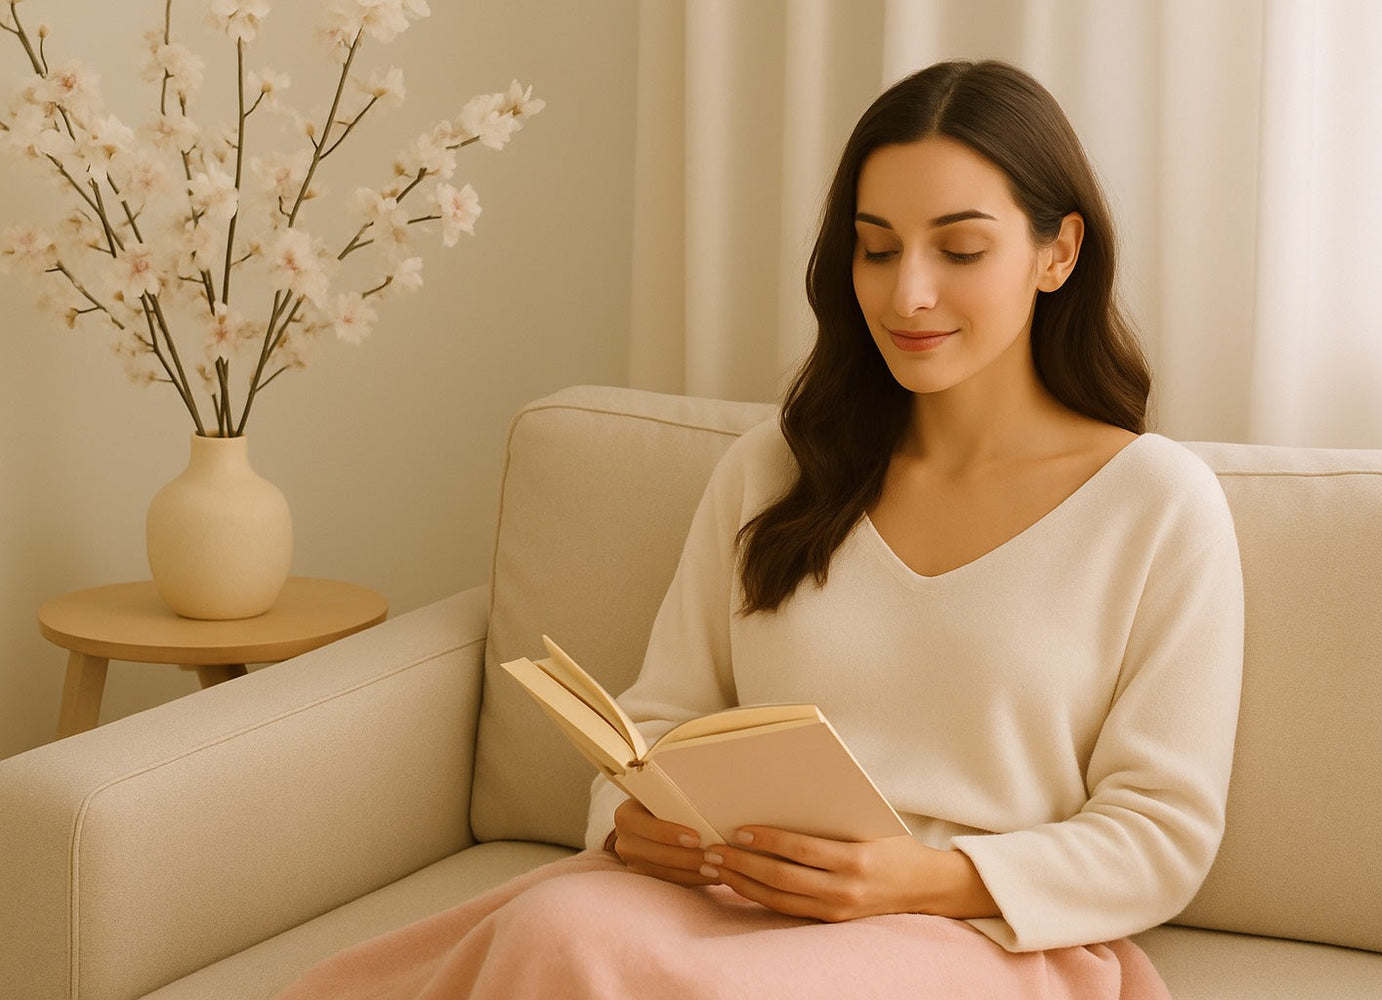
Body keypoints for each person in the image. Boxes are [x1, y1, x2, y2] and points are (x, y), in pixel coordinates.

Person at [276, 58, 1243, 1000]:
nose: (907, 294)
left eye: (959, 250)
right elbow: (658, 721)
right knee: (550, 932)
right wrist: (632, 822)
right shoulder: (777, 468)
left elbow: (1160, 831)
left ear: (1057, 252)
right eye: (876, 247)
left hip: (975, 934)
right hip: (730, 900)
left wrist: (924, 877)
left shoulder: (1156, 504)